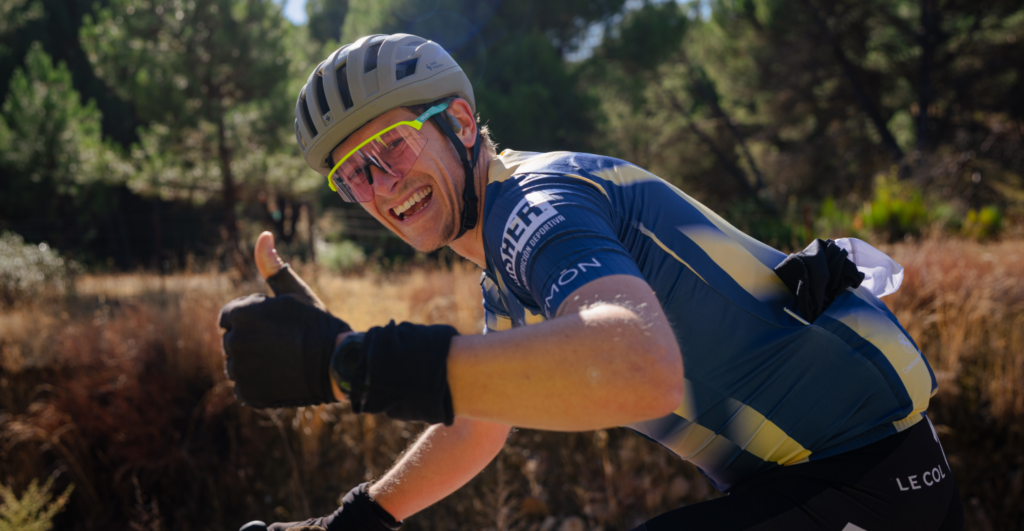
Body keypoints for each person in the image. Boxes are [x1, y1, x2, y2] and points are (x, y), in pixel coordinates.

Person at [219, 34, 964, 531]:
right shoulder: (504, 263)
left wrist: (345, 363)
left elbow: (637, 365)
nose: (381, 185)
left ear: (462, 123)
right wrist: (356, 520)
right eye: (354, 175)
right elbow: (479, 424)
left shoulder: (534, 209)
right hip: (844, 481)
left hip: (861, 477)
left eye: (393, 146)